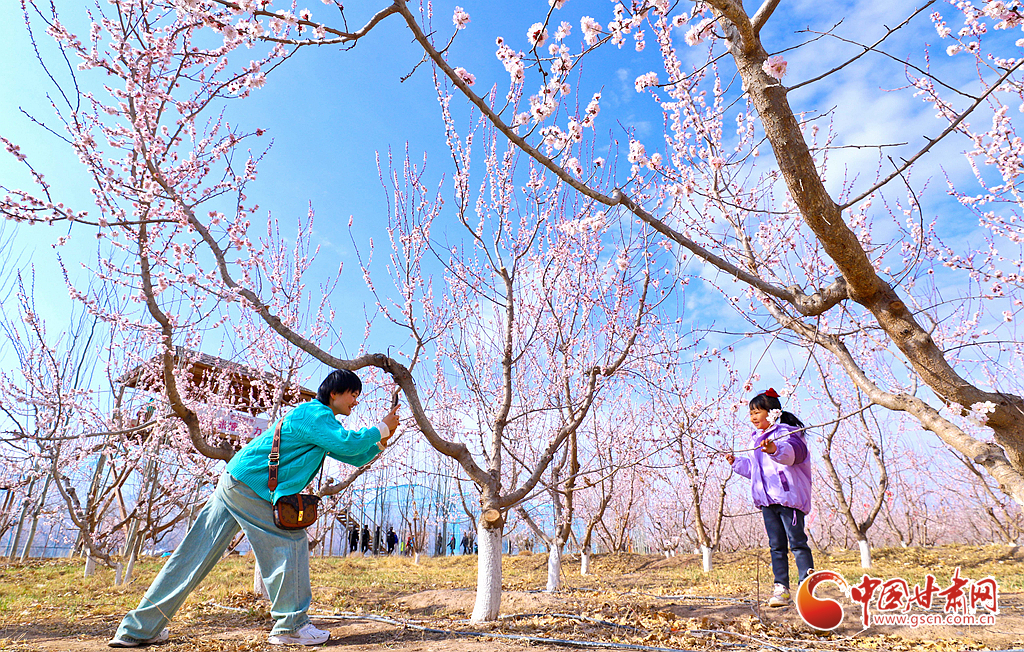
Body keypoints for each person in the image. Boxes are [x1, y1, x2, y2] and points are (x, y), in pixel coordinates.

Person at [108, 369, 399, 648]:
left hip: (235, 481)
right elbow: (347, 444)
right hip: (251, 488)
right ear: (334, 393)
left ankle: (137, 629)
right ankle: (291, 627)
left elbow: (353, 455)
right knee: (290, 540)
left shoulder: (319, 420)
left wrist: (381, 441)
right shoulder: (315, 413)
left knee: (192, 556)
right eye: (353, 394)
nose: (355, 401)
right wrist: (381, 427)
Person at [726, 388, 813, 608]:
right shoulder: (756, 439)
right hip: (767, 501)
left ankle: (807, 588)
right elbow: (757, 471)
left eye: (757, 412)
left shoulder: (788, 433)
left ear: (772, 412)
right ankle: (781, 589)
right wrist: (737, 463)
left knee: (797, 543)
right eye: (750, 413)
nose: (753, 417)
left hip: (788, 498)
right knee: (776, 546)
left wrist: (775, 449)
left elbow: (794, 455)